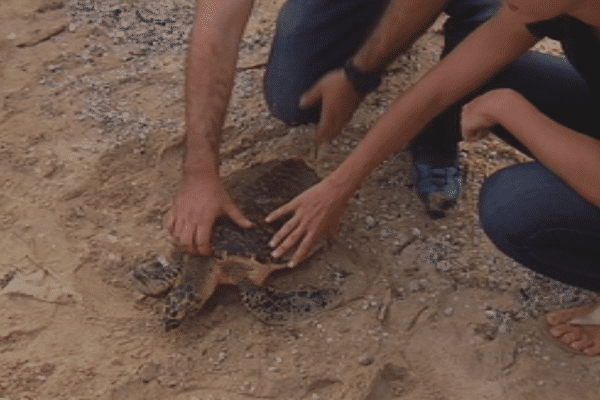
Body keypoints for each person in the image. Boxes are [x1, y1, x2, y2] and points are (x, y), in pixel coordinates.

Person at [168, 0, 600, 355]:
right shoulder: (541, 8)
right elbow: (438, 87)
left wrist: (510, 110)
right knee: (492, 69)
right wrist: (342, 180)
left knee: (515, 206)